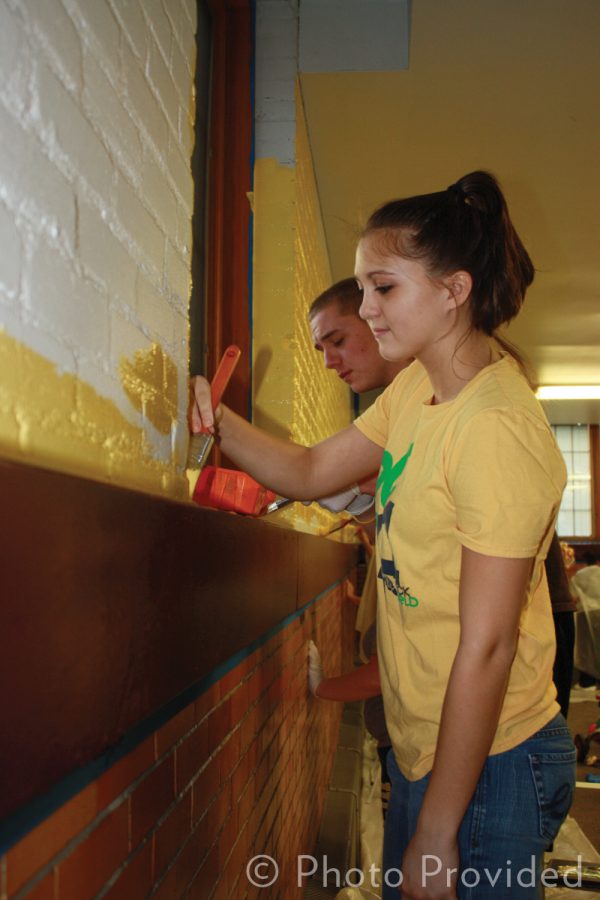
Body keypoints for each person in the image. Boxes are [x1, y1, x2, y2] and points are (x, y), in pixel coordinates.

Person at [190, 171, 576, 898]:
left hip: (496, 757)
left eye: (384, 288)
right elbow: (307, 469)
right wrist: (217, 419)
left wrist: (437, 827)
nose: (366, 310)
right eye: (362, 289)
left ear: (454, 290)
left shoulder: (495, 427)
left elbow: (487, 645)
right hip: (428, 746)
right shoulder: (413, 391)